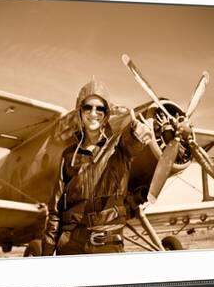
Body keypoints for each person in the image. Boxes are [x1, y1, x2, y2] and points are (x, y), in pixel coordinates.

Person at [41, 79, 152, 256]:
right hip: (70, 248)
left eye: (100, 108)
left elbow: (133, 143)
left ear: (106, 114)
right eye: (88, 107)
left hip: (108, 247)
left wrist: (139, 132)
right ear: (80, 112)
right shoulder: (68, 155)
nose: (94, 113)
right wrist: (47, 251)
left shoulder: (120, 147)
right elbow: (55, 210)